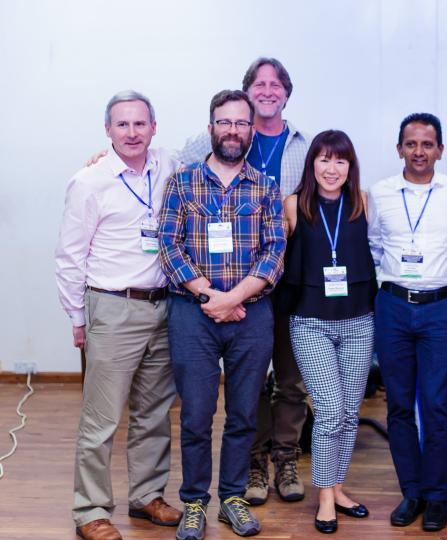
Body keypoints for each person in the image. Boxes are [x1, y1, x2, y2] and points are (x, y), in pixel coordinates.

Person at [179, 57, 311, 505]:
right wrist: (212, 295)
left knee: (285, 382)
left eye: (277, 84)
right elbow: (164, 180)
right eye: (260, 83)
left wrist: (235, 296)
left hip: (278, 287)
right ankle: (232, 478)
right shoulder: (197, 159)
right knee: (226, 400)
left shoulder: (299, 150)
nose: (268, 90)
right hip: (208, 297)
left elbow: (283, 241)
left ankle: (277, 462)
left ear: (286, 94)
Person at [158, 89, 286, 539]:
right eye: (224, 122)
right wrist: (210, 295)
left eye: (241, 123)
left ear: (252, 130)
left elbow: (274, 254)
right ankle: (194, 502)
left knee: (244, 414)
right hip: (193, 314)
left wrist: (233, 300)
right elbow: (168, 245)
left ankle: (231, 497)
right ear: (211, 127)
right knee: (195, 415)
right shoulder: (182, 182)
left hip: (251, 317)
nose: (233, 131)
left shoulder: (266, 187)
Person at [55, 91, 181, 540]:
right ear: (107, 130)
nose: (132, 133)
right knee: (102, 417)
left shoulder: (168, 166)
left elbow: (216, 139)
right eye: (122, 125)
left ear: (153, 128)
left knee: (154, 412)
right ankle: (90, 509)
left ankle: (147, 496)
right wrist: (77, 316)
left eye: (140, 124)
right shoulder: (89, 181)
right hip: (112, 307)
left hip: (164, 305)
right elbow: (70, 255)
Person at [278, 130, 376, 534]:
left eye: (340, 161)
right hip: (310, 322)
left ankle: (338, 486)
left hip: (358, 320)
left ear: (350, 167)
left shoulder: (363, 203)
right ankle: (323, 497)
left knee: (350, 413)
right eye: (323, 159)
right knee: (331, 411)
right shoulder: (293, 205)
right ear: (311, 164)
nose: (331, 168)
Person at [367, 113, 447, 532]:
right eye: (411, 144)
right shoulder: (381, 193)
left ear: (439, 149)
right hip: (393, 306)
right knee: (400, 405)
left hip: (441, 308)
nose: (419, 151)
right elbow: (373, 246)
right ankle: (413, 492)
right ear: (399, 148)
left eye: (427, 144)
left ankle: (438, 496)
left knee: (437, 405)